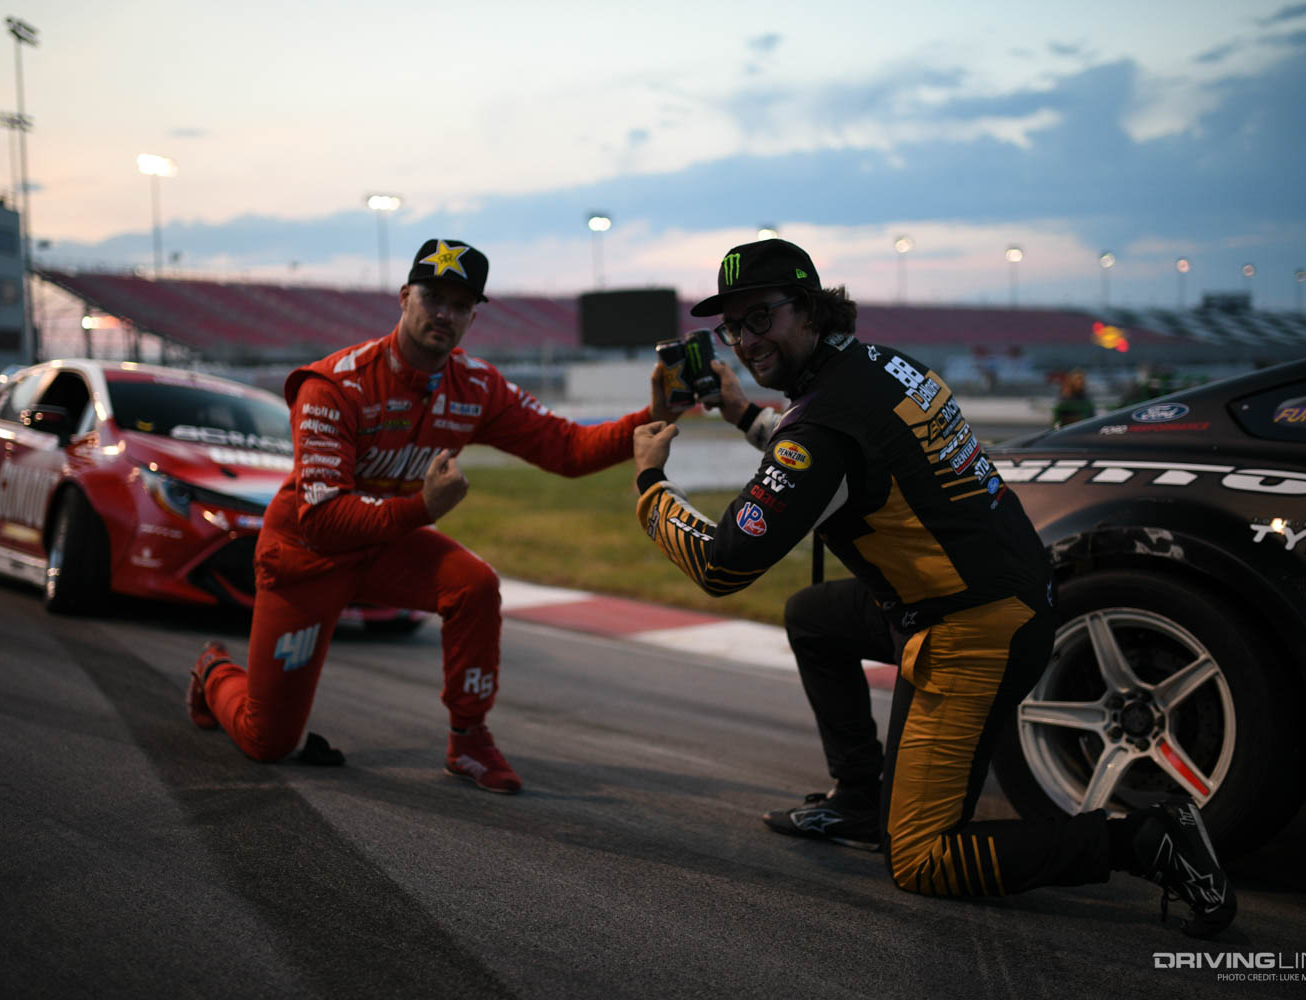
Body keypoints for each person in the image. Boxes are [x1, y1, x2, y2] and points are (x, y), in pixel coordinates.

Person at [629, 237, 1236, 937]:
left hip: (971, 627)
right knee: (814, 615)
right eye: (730, 326)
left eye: (760, 317)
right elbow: (834, 455)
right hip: (980, 592)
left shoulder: (822, 422)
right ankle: (859, 797)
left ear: (810, 310)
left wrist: (650, 485)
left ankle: (1145, 840)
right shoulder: (877, 365)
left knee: (923, 859)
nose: (744, 341)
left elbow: (723, 564)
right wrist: (741, 415)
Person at [186, 238, 675, 793]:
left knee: (474, 585)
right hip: (307, 555)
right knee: (267, 741)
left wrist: (654, 414)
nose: (444, 313)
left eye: (461, 305)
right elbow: (322, 520)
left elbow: (566, 450)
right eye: (433, 297)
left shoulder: (478, 386)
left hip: (385, 546)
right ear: (404, 297)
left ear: (472, 317)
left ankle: (469, 739)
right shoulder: (333, 385)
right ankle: (214, 672)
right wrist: (422, 508)